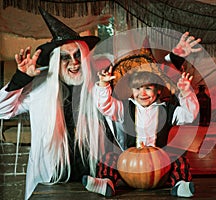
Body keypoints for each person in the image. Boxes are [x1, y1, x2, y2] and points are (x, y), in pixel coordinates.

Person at [0, 7, 107, 200]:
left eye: (77, 55)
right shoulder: (39, 90)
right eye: (66, 57)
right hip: (52, 181)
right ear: (56, 61)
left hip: (91, 179)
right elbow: (3, 110)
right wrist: (21, 78)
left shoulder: (99, 87)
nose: (74, 62)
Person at [83, 59, 199, 197]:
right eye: (137, 88)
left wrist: (186, 93)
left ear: (158, 90)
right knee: (110, 157)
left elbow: (190, 115)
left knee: (178, 158)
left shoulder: (167, 110)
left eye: (148, 88)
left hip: (159, 165)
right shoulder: (124, 108)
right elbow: (105, 106)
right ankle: (106, 182)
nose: (142, 93)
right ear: (132, 90)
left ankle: (180, 185)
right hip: (130, 165)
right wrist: (103, 84)